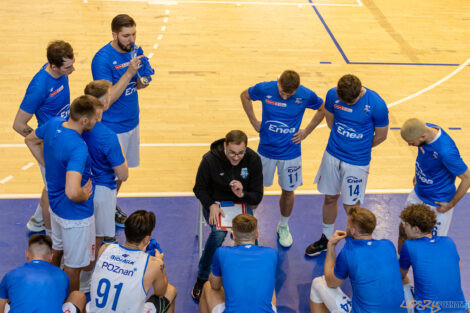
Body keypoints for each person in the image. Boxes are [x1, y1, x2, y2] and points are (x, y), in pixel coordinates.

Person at [24, 95, 102, 291]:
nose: (98, 121)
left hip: (56, 208)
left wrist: (48, 164)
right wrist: (84, 194)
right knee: (73, 267)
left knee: (57, 251)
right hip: (76, 216)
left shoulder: (53, 123)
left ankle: (52, 292)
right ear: (84, 120)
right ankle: (71, 304)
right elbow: (72, 191)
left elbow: (31, 140)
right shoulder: (77, 147)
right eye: (96, 118)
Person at [305, 74, 389, 257]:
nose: (349, 104)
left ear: (360, 91)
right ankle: (326, 237)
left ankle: (355, 243)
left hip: (357, 162)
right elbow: (330, 122)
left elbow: (382, 136)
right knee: (329, 198)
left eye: (353, 101)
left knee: (351, 206)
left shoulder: (377, 104)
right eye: (346, 102)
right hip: (332, 155)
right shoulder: (332, 95)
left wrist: (360, 147)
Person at [241, 70, 325, 248]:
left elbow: (322, 108)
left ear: (296, 89)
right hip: (265, 151)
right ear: (278, 84)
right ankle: (249, 225)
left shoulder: (305, 94)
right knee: (255, 190)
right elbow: (244, 96)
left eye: (290, 94)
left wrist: (306, 131)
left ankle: (283, 226)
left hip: (291, 153)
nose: (285, 96)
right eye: (282, 92)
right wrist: (254, 121)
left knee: (288, 191)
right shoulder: (265, 88)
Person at [91, 14, 151, 226]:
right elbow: (105, 100)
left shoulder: (132, 51)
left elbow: (137, 85)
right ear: (115, 34)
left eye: (134, 34)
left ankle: (110, 204)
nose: (131, 39)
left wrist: (143, 77)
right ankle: (101, 211)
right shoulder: (102, 60)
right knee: (112, 174)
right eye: (126, 36)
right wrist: (129, 72)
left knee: (119, 176)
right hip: (112, 127)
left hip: (131, 122)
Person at [192, 130, 263, 300]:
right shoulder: (209, 160)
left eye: (240, 153)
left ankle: (251, 274)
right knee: (218, 234)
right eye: (232, 152)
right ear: (225, 146)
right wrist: (210, 204)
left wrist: (243, 194)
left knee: (250, 234)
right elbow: (199, 188)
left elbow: (257, 195)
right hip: (215, 203)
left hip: (241, 204)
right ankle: (202, 276)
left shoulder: (253, 160)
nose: (236, 157)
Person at [12, 40, 75, 234]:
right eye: (68, 67)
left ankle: (37, 222)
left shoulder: (58, 71)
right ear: (54, 66)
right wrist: (40, 140)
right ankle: (50, 233)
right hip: (51, 145)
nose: (73, 69)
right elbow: (18, 125)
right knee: (53, 188)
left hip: (63, 138)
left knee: (51, 184)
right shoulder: (39, 86)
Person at [309, 207, 406, 313]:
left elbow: (331, 282)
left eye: (347, 224)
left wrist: (331, 245)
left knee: (317, 283)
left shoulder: (348, 252)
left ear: (353, 230)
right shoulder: (388, 245)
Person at [87, 210, 177, 313]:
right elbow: (160, 292)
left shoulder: (105, 248)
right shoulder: (155, 264)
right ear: (147, 238)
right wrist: (160, 262)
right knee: (170, 291)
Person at [399, 118, 470, 245]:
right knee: (404, 229)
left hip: (437, 203)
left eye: (411, 143)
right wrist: (418, 172)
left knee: (432, 244)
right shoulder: (425, 128)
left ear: (423, 136)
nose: (410, 145)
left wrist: (451, 204)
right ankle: (400, 263)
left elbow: (467, 178)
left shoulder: (446, 152)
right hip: (418, 193)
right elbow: (423, 152)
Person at [199, 214, 277, 313]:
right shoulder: (272, 253)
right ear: (257, 234)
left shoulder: (222, 252)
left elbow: (215, 285)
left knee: (207, 286)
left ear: (233, 236)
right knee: (271, 289)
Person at [83, 80, 129, 247]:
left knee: (83, 238)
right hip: (102, 192)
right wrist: (121, 154)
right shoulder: (107, 136)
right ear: (103, 103)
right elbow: (123, 174)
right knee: (102, 243)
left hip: (79, 186)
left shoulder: (72, 123)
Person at [399, 204, 468, 313]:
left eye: (406, 224)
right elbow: (457, 267)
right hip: (459, 308)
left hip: (428, 310)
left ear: (416, 229)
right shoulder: (448, 241)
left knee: (401, 282)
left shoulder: (409, 245)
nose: (403, 226)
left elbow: (400, 275)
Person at [0, 234, 86, 313]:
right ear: (51, 256)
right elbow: (62, 300)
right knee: (78, 295)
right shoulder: (62, 275)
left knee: (6, 298)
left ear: (27, 254)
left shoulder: (11, 275)